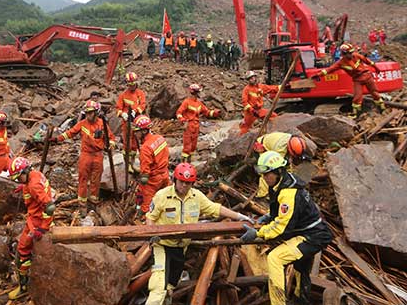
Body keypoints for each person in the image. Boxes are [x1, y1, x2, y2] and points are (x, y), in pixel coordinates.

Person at [145, 162, 254, 305]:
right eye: (182, 182)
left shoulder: (196, 197)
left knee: (171, 284)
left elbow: (215, 208)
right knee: (158, 285)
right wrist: (152, 235)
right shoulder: (162, 196)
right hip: (162, 245)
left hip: (181, 247)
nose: (184, 186)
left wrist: (240, 216)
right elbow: (150, 217)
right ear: (175, 180)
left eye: (188, 183)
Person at [240, 151, 332, 305]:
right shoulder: (282, 182)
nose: (264, 178)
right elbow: (282, 210)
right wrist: (270, 215)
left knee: (275, 258)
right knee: (300, 267)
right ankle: (300, 299)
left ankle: (278, 303)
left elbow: (281, 228)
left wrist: (257, 233)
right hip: (307, 232)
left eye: (267, 174)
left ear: (278, 172)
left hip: (312, 236)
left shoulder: (289, 193)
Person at [52, 100, 115, 212]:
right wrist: (57, 138)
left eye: (90, 113)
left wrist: (111, 144)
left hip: (98, 155)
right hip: (86, 155)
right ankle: (82, 204)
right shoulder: (82, 124)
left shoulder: (102, 124)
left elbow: (111, 137)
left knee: (96, 180)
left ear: (96, 112)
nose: (88, 115)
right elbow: (70, 133)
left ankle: (93, 202)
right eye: (86, 113)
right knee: (83, 179)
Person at [6, 157, 55, 300]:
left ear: (24, 171)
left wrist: (42, 228)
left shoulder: (33, 186)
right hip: (35, 217)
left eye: (18, 178)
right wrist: (24, 187)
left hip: (36, 222)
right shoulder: (35, 175)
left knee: (22, 251)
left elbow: (50, 207)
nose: (18, 180)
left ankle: (23, 287)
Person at [314, 43, 385, 117]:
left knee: (375, 93)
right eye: (349, 53)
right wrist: (319, 74)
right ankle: (357, 113)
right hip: (357, 80)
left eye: (351, 52)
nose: (351, 54)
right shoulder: (341, 63)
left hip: (367, 76)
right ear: (344, 54)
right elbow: (329, 69)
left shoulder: (357, 56)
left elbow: (368, 61)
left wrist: (376, 68)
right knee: (357, 97)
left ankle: (382, 108)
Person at [132, 115, 169, 217]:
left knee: (146, 204)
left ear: (144, 131)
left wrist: (141, 183)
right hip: (165, 175)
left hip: (154, 180)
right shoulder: (160, 138)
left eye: (137, 131)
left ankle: (144, 220)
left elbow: (145, 174)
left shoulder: (145, 148)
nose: (135, 133)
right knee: (165, 199)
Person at [253, 133, 309, 197]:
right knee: (267, 172)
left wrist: (291, 176)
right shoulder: (280, 149)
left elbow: (286, 163)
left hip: (269, 145)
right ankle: (263, 195)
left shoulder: (292, 140)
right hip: (261, 147)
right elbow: (280, 165)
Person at [176, 84, 220, 162]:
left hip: (196, 126)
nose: (199, 94)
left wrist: (214, 113)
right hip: (189, 125)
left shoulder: (199, 103)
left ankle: (190, 162)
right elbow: (179, 112)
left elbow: (206, 112)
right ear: (195, 93)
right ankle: (183, 163)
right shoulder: (186, 102)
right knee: (187, 146)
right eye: (198, 92)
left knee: (193, 145)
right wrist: (182, 120)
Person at [116, 72, 147, 172]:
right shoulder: (123, 95)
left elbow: (143, 105)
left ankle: (133, 163)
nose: (132, 86)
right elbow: (118, 108)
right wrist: (122, 114)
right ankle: (127, 164)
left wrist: (136, 110)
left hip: (137, 121)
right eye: (130, 84)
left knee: (135, 143)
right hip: (126, 122)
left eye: (133, 84)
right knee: (127, 143)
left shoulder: (140, 93)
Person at [239, 71, 280, 135]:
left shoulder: (260, 87)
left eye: (253, 78)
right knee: (245, 127)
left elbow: (271, 88)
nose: (252, 80)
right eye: (250, 79)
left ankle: (272, 133)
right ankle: (240, 139)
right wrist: (252, 110)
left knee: (273, 115)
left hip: (259, 110)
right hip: (250, 113)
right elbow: (244, 102)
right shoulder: (246, 89)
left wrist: (282, 87)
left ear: (255, 77)